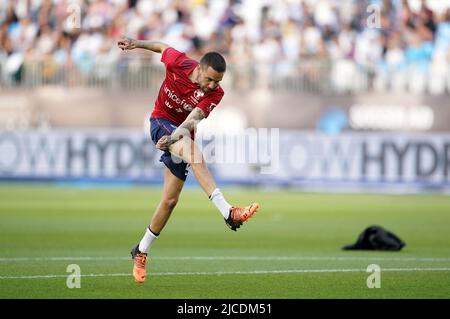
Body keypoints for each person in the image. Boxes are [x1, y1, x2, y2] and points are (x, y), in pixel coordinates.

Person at [117, 37, 260, 283]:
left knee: (170, 201)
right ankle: (228, 212)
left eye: (218, 81)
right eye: (210, 79)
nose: (213, 85)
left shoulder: (217, 93)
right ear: (199, 69)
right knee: (194, 153)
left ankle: (140, 250)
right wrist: (136, 43)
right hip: (160, 121)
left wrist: (173, 139)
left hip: (180, 132)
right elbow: (161, 47)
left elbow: (193, 119)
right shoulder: (179, 62)